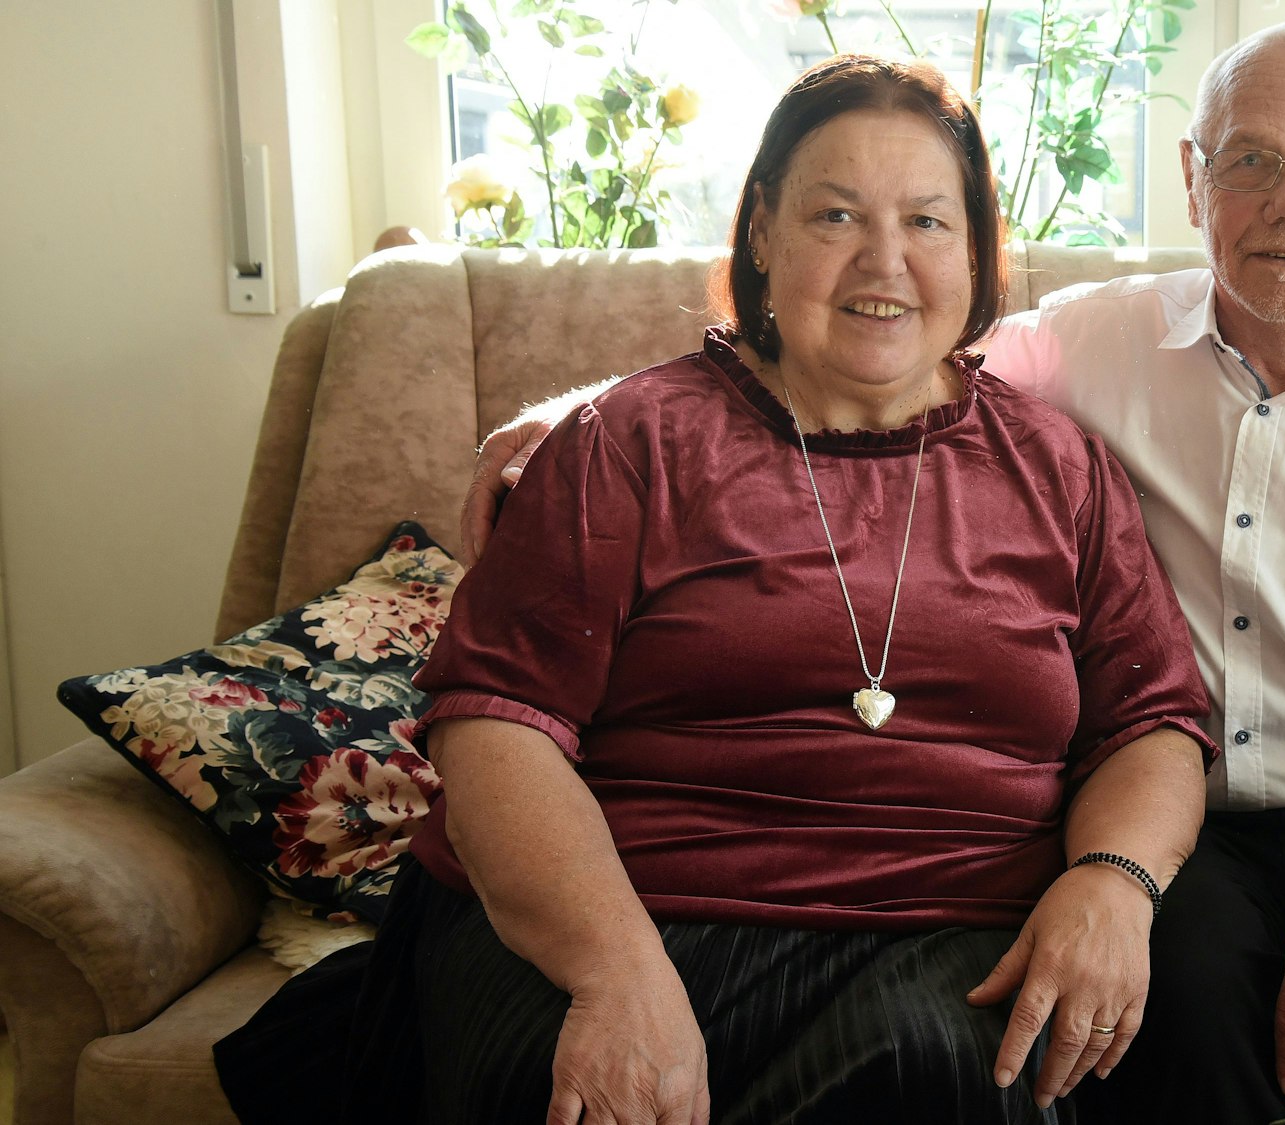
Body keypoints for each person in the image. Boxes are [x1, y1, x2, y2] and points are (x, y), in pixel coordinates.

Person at [468, 23, 1285, 1125]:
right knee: (1176, 970)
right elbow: (871, 348)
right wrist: (580, 416)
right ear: (1193, 178)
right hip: (1178, 834)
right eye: (1251, 160)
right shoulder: (1088, 343)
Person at [218, 55, 1213, 1125]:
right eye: (835, 215)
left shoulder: (1059, 469)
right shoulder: (629, 444)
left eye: (928, 221)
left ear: (975, 250)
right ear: (762, 231)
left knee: (951, 1078)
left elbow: (1150, 721)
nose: (884, 261)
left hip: (945, 926)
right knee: (569, 1089)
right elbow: (496, 726)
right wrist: (613, 972)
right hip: (622, 907)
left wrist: (1114, 878)